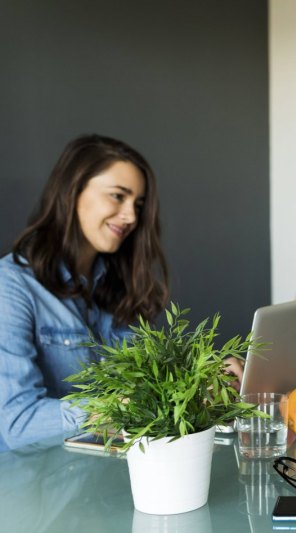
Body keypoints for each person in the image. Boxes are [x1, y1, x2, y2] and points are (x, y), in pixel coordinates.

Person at [0, 134, 169, 452]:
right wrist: (111, 406)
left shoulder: (116, 286)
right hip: (32, 490)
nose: (131, 216)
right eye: (118, 196)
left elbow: (148, 385)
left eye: (138, 205)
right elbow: (17, 423)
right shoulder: (10, 286)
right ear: (72, 191)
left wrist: (208, 377)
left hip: (104, 480)